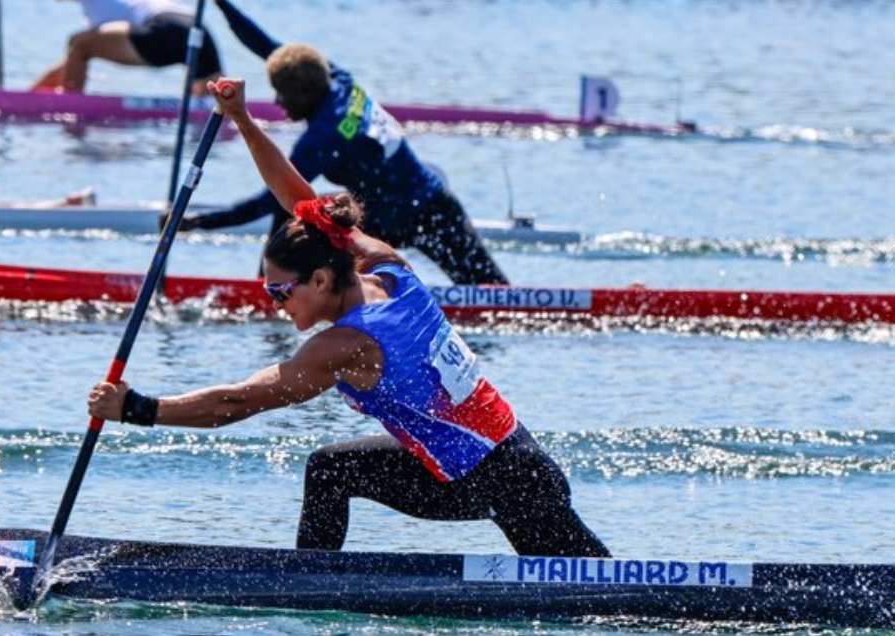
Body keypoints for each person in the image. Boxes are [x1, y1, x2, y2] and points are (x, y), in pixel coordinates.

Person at [88, 77, 610, 558]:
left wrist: (134, 408)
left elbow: (237, 401)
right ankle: (311, 578)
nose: (274, 303)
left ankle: (310, 583)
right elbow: (303, 203)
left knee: (609, 604)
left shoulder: (344, 345)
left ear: (319, 280)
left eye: (278, 291)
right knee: (331, 469)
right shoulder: (388, 266)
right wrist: (243, 120)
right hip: (492, 465)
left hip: (508, 481)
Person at [178, 0, 507, 285]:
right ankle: (273, 284)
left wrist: (201, 220)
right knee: (301, 212)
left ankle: (273, 286)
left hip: (428, 214)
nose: (277, 101)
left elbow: (267, 201)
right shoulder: (338, 78)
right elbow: (269, 48)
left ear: (303, 93)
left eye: (282, 93)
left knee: (495, 295)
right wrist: (223, 5)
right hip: (388, 213)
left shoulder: (321, 138)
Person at [32, 0, 222, 96]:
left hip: (163, 28)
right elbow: (71, 62)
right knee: (209, 105)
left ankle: (71, 105)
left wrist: (31, 98)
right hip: (198, 28)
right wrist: (32, 95)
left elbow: (78, 52)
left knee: (79, 43)